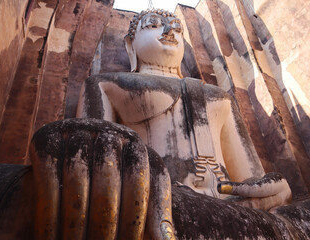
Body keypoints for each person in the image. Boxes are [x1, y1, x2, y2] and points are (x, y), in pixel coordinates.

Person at [31, 9, 299, 239]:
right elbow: (94, 157)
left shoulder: (219, 96)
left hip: (234, 210)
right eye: (153, 25)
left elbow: (249, 178)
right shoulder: (108, 85)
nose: (170, 30)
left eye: (177, 28)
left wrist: (275, 191)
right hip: (162, 204)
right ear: (130, 44)